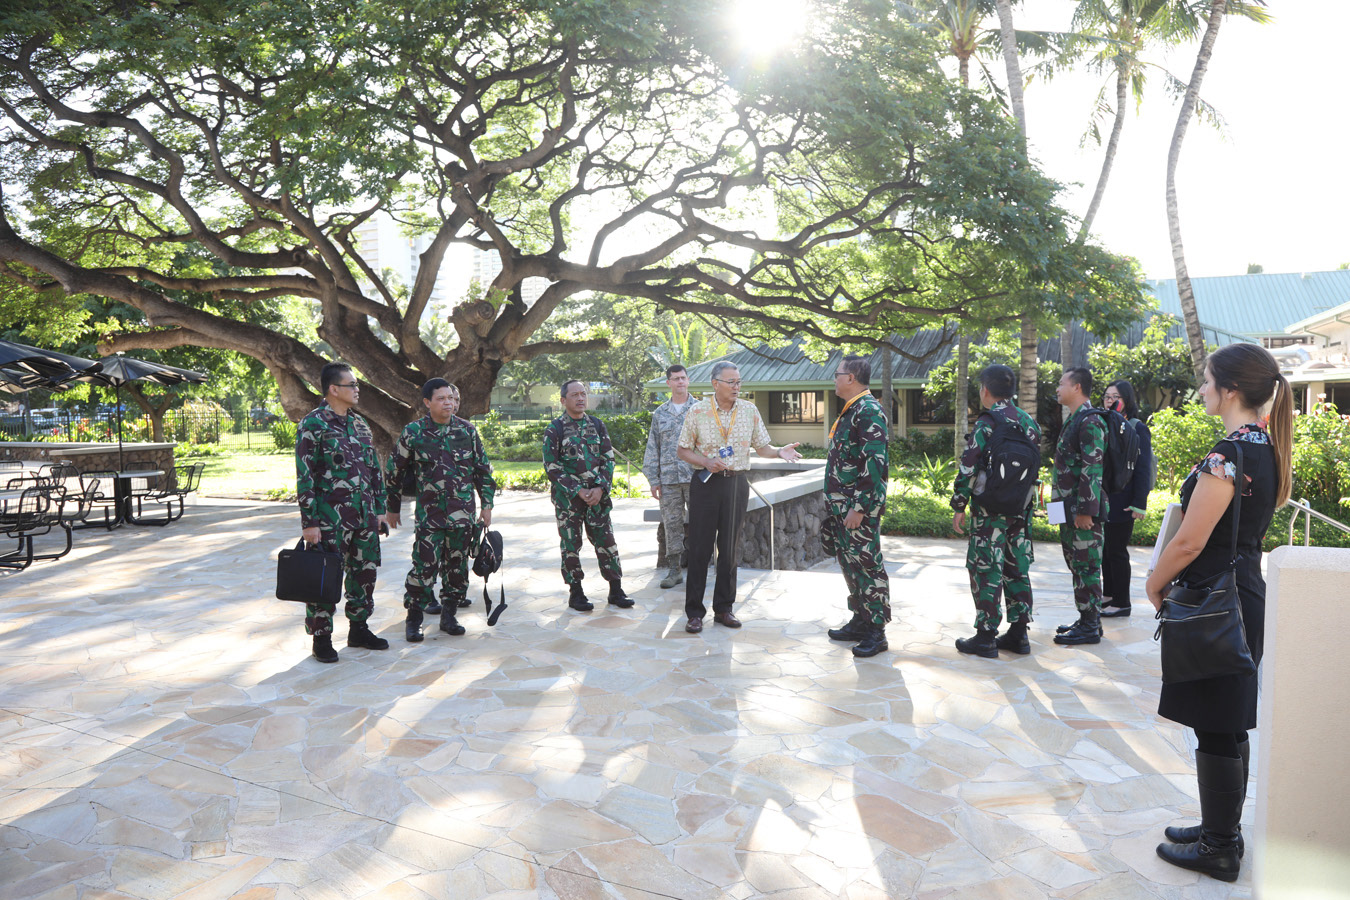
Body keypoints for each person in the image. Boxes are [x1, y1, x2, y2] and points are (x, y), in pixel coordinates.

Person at [1145, 343, 1292, 883]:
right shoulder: (1265, 448)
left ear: (1230, 389)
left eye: (1207, 381)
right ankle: (1220, 830)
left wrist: (1155, 582)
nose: (1202, 389)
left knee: (1214, 719)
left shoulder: (1228, 454)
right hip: (1242, 595)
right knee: (1226, 719)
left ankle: (1219, 847)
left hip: (1214, 600)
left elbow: (1189, 541)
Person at [676, 361, 801, 634]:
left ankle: (724, 609)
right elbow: (683, 450)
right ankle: (695, 613)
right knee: (699, 549)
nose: (736, 387)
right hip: (706, 483)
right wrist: (706, 462)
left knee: (730, 549)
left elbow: (763, 447)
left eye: (739, 381)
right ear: (715, 384)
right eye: (731, 382)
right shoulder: (697, 411)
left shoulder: (749, 410)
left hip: (736, 484)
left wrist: (780, 452)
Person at [385, 378, 495, 643]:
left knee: (457, 569)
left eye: (452, 398)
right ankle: (414, 618)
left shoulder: (467, 431)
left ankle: (449, 615)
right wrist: (392, 507)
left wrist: (487, 505)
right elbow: (394, 471)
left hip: (463, 515)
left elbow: (483, 470)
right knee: (424, 568)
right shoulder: (414, 432)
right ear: (427, 403)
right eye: (442, 399)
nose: (449, 403)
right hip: (429, 516)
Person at [295, 362, 389, 663]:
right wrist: (309, 522)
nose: (357, 389)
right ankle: (321, 638)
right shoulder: (313, 425)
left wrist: (380, 511)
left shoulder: (360, 425)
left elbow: (374, 471)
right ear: (334, 389)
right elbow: (304, 475)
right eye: (352, 385)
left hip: (363, 518)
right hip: (328, 520)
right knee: (325, 578)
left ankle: (358, 629)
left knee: (365, 574)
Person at [950, 364, 1042, 658]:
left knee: (986, 568)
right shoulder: (1029, 423)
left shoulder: (987, 422)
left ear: (984, 390)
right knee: (1017, 568)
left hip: (990, 512)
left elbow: (970, 464)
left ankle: (986, 637)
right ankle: (1019, 634)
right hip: (1020, 508)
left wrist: (959, 504)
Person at [542, 379, 632, 612]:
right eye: (575, 395)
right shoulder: (555, 429)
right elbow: (551, 466)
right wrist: (578, 490)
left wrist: (600, 488)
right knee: (571, 545)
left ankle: (616, 589)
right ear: (563, 400)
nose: (581, 398)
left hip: (597, 499)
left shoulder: (598, 425)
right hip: (569, 501)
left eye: (583, 394)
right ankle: (576, 592)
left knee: (607, 542)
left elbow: (608, 459)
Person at [822, 355, 891, 658]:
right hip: (843, 507)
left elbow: (875, 464)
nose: (834, 379)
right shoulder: (853, 410)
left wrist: (860, 507)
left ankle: (877, 630)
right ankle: (861, 620)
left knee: (868, 566)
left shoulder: (868, 410)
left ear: (850, 378)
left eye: (837, 374)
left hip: (856, 510)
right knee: (851, 566)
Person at [1052, 366, 1109, 646]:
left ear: (1076, 387)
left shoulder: (1090, 421)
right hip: (1069, 508)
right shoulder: (1076, 419)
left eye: (1061, 383)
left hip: (1082, 511)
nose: (1057, 388)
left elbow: (1093, 468)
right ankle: (1087, 619)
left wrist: (1087, 511)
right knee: (1076, 563)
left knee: (1087, 566)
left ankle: (1090, 625)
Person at [1100, 379, 1153, 618]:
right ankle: (1109, 594)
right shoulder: (1103, 424)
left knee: (1117, 551)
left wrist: (1139, 504)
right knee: (1105, 550)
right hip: (1106, 497)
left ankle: (1122, 602)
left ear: (1127, 400)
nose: (1110, 401)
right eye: (1107, 397)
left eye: (1115, 397)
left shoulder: (1136, 427)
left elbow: (1143, 468)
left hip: (1124, 500)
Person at [643, 365, 696, 589]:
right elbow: (652, 447)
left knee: (700, 524)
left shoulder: (700, 409)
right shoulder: (660, 414)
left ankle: (697, 568)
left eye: (683, 378)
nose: (680, 382)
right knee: (672, 525)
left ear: (688, 380)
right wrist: (654, 480)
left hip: (697, 478)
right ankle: (674, 570)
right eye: (675, 379)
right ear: (669, 383)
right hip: (669, 480)